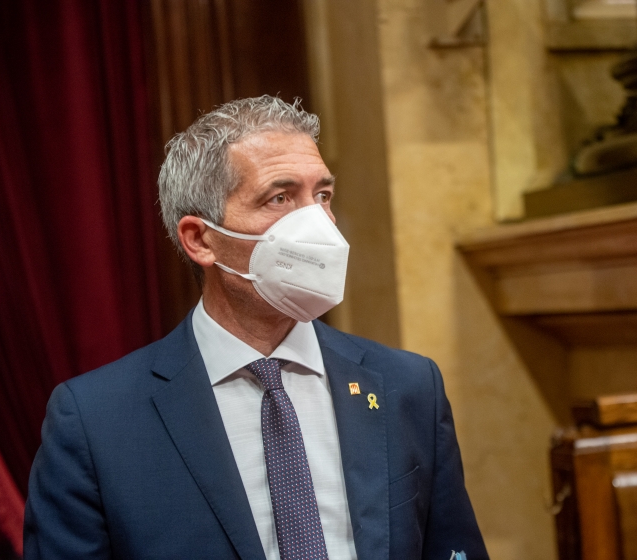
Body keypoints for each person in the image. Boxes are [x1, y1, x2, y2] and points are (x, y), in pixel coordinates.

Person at [24, 96, 488, 560]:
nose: (319, 223)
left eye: (322, 195)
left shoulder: (408, 387)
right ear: (200, 239)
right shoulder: (95, 421)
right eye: (280, 198)